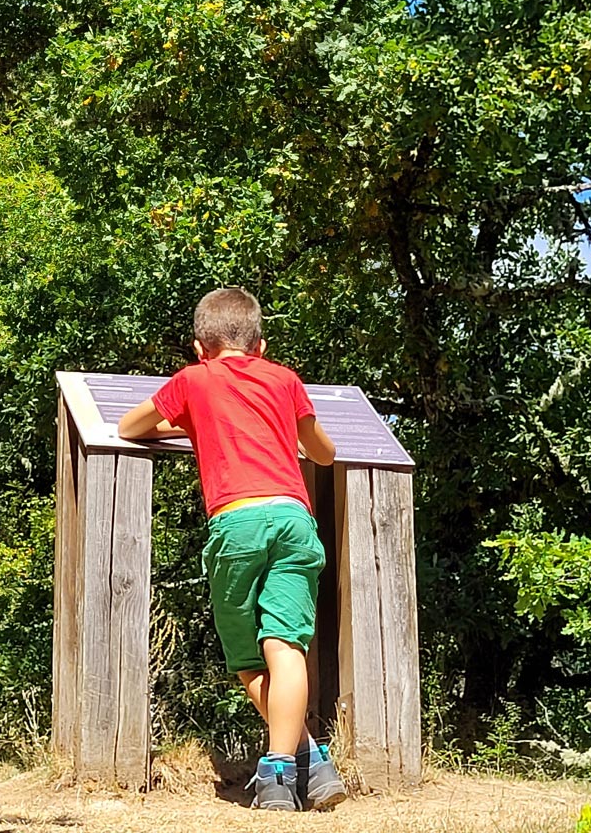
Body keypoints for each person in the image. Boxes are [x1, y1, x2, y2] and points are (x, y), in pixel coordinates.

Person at [115, 286, 347, 811]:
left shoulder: (194, 379)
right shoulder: (285, 380)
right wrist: (296, 435)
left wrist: (192, 421)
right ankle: (308, 764)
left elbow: (131, 426)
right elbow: (324, 454)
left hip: (237, 522)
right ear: (259, 344)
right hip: (293, 517)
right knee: (286, 644)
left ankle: (278, 773)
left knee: (248, 659)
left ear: (201, 346)